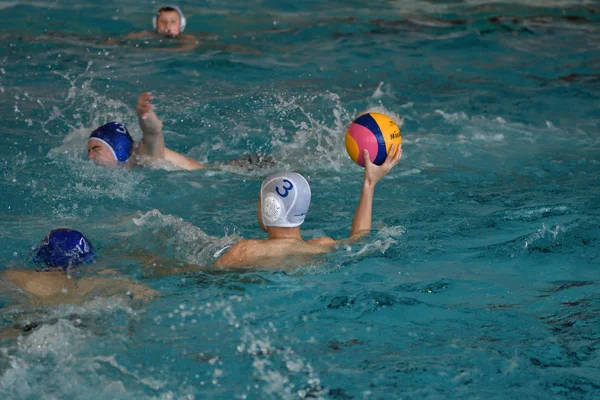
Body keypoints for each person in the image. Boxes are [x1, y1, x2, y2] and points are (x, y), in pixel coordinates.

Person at [148, 144, 402, 274]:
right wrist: (369, 183)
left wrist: (158, 266)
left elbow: (201, 278)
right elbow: (360, 239)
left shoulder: (246, 250)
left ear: (269, 208)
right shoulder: (321, 246)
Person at [2, 229, 157, 307]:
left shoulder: (18, 276)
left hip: (29, 321)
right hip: (76, 323)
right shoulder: (96, 280)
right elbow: (148, 294)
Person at [87, 92, 205, 170]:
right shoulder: (128, 166)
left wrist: (145, 114)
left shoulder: (145, 156)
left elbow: (153, 132)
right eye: (89, 151)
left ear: (118, 149)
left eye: (96, 149)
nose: (90, 156)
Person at [103, 5, 201, 52]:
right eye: (163, 21)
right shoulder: (146, 35)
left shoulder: (188, 39)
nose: (167, 26)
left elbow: (188, 48)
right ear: (155, 23)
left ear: (181, 24)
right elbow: (124, 39)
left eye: (173, 22)